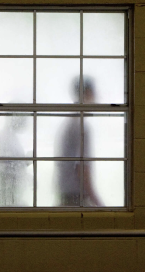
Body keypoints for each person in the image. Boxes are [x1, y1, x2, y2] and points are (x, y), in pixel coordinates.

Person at [54, 76, 104, 207]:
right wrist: (97, 201)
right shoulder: (81, 127)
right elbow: (82, 167)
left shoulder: (69, 123)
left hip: (66, 197)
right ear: (87, 93)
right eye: (93, 94)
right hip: (76, 199)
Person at [0, 113, 32, 206]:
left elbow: (12, 162)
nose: (25, 124)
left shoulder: (11, 137)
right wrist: (24, 162)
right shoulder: (4, 137)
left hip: (11, 193)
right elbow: (2, 164)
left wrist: (25, 164)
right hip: (7, 194)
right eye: (23, 119)